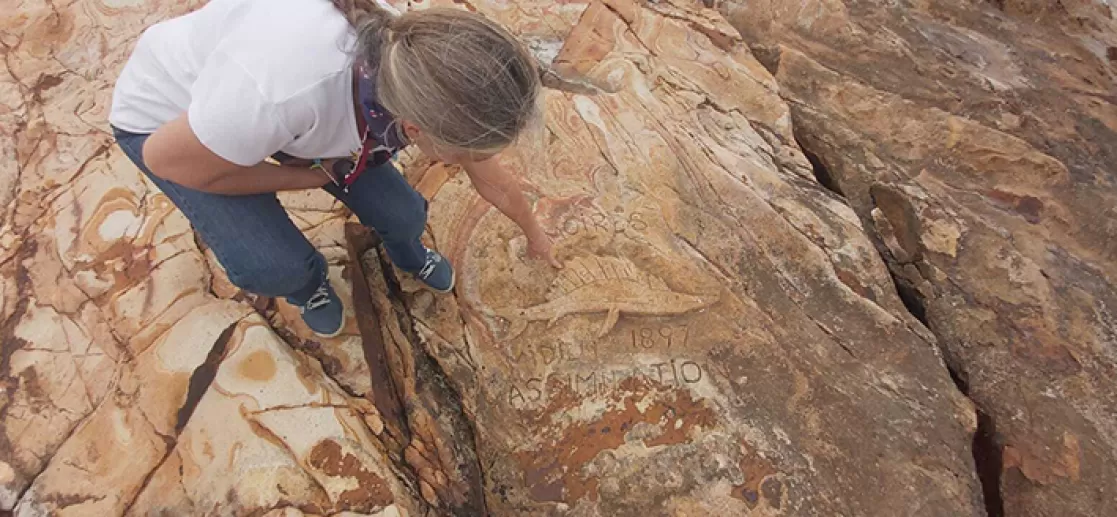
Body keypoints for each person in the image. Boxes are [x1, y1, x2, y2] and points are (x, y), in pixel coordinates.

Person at [109, 0, 559, 338]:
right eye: (461, 151)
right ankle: (306, 286)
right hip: (172, 128)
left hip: (277, 121)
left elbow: (490, 174)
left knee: (404, 215)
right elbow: (166, 160)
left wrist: (536, 234)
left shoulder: (418, 63)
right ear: (414, 129)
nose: (472, 160)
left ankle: (406, 251)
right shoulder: (280, 92)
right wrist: (306, 176)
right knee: (269, 264)